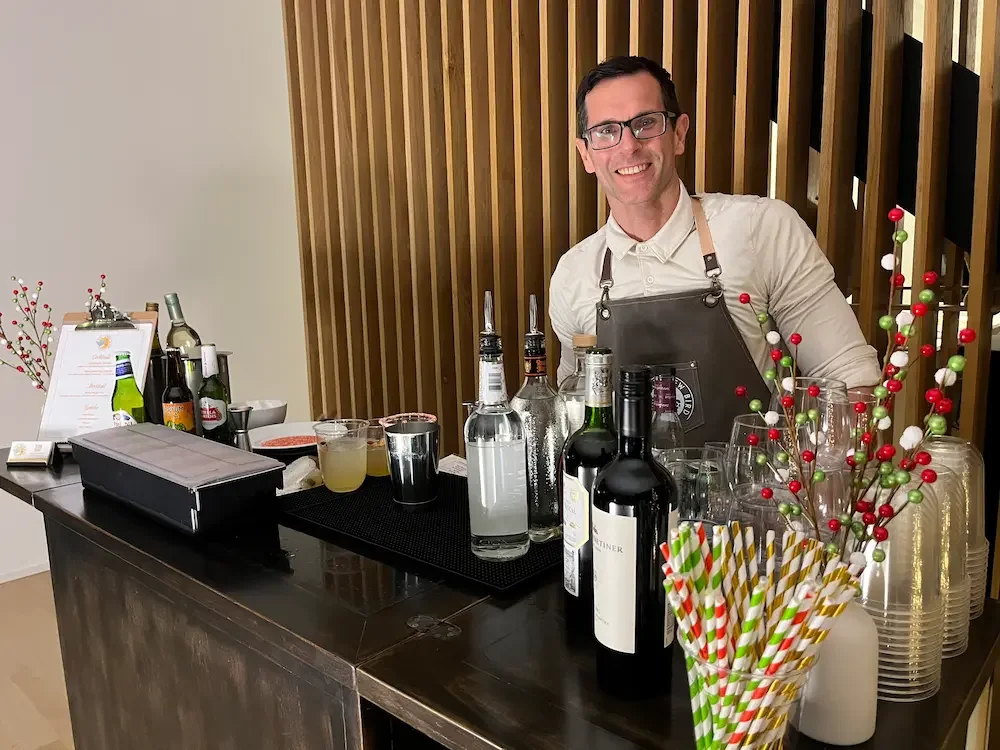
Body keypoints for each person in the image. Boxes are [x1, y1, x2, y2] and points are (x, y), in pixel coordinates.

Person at [549, 55, 880, 443]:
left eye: (646, 123)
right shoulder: (574, 275)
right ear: (586, 153)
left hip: (752, 496)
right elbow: (575, 414)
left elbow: (851, 385)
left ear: (679, 133)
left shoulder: (762, 229)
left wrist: (817, 493)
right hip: (622, 503)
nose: (629, 146)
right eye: (606, 131)